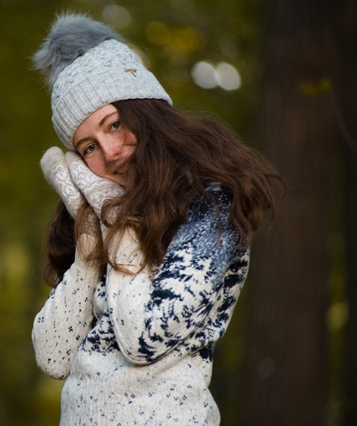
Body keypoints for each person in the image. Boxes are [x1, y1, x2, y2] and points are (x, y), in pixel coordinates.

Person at [31, 13, 284, 425]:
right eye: (88, 147)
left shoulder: (210, 208)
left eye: (114, 123)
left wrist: (116, 224)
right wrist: (91, 247)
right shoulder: (101, 223)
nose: (110, 151)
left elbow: (144, 337)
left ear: (147, 112)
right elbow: (53, 355)